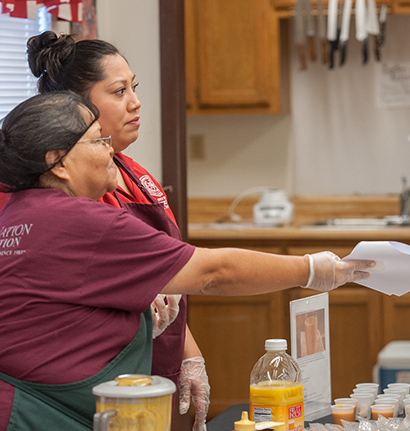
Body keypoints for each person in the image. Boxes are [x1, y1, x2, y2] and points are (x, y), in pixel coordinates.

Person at [0, 91, 372, 429]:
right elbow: (214, 272)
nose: (110, 149)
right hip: (40, 417)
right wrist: (313, 269)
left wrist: (136, 319)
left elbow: (52, 313)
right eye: (99, 139)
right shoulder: (82, 221)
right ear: (58, 163)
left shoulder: (16, 215)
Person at [24, 30, 204, 429]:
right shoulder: (66, 191)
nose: (136, 102)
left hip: (162, 367)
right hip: (109, 381)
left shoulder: (134, 171)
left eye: (134, 88)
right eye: (119, 91)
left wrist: (189, 353)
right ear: (76, 106)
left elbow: (171, 274)